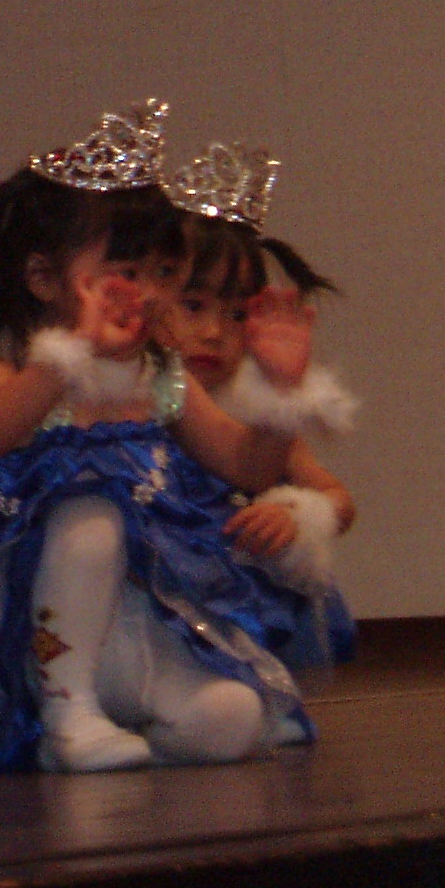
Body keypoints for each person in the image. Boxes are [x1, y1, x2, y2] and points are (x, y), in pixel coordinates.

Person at [0, 101, 304, 774]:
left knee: (233, 719)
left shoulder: (161, 376)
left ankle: (131, 724)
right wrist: (67, 357)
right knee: (91, 515)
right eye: (127, 270)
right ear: (43, 279)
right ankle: (66, 711)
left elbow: (247, 464)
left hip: (143, 623)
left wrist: (282, 395)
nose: (148, 293)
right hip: (53, 617)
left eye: (162, 273)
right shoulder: (24, 368)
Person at [155, 143, 360, 677]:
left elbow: (338, 500)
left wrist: (294, 514)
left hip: (233, 603)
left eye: (236, 315)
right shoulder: (134, 395)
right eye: (194, 306)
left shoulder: (252, 410)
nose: (214, 332)